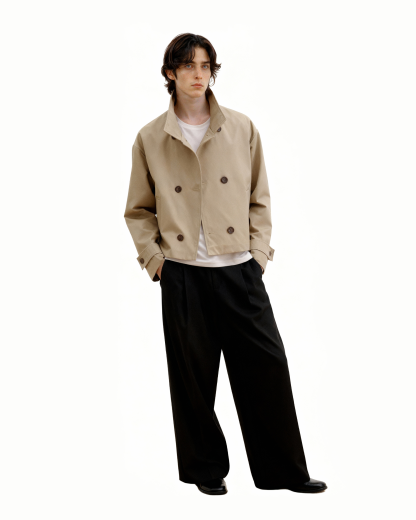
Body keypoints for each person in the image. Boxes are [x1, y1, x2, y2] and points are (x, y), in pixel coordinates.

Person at [124, 32, 327, 495]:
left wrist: (258, 257)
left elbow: (260, 197)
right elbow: (138, 209)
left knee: (267, 370)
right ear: (170, 73)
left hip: (239, 270)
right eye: (188, 66)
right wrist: (157, 263)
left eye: (205, 66)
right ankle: (206, 470)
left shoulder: (241, 127)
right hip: (182, 273)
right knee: (192, 380)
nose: (198, 75)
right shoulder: (150, 137)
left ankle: (284, 472)